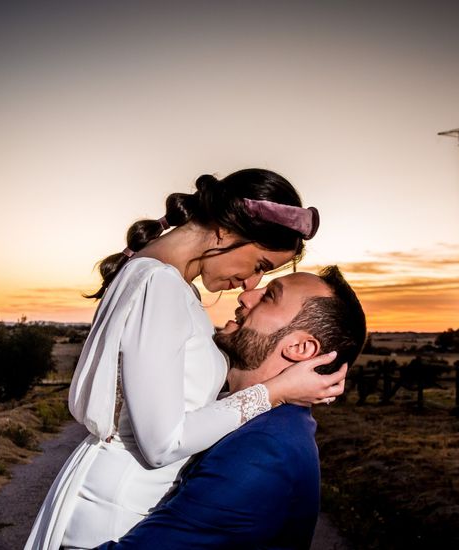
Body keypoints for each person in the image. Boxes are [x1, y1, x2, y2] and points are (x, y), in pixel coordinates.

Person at [25, 169, 347, 550]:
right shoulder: (159, 286)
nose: (249, 284)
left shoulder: (165, 284)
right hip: (114, 516)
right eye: (260, 265)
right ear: (225, 230)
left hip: (129, 505)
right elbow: (161, 443)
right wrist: (274, 391)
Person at [97, 266, 367, 549]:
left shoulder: (264, 451)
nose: (246, 295)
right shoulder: (264, 422)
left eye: (269, 297)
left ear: (300, 348)